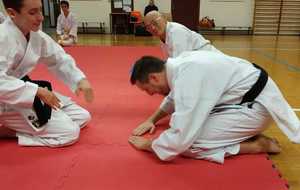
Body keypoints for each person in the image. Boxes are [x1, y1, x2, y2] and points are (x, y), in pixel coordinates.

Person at [128, 51, 300, 164]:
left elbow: (182, 137)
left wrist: (150, 145)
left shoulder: (187, 76)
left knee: (189, 143)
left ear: (153, 78)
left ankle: (256, 146)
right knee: (185, 126)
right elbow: (174, 99)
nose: (150, 94)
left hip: (256, 108)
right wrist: (151, 120)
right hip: (248, 100)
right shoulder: (179, 65)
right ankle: (243, 132)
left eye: (146, 89)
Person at [0, 0, 94, 147]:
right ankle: (9, 132)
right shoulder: (2, 38)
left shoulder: (35, 35)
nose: (41, 17)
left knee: (83, 117)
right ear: (12, 13)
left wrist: (79, 79)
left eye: (40, 10)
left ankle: (33, 125)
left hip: (24, 91)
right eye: (32, 12)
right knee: (70, 133)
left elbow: (58, 58)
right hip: (5, 101)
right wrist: (37, 90)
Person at [144, 10, 222, 59]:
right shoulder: (162, 37)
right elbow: (170, 62)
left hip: (213, 60)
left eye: (154, 22)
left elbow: (180, 64)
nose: (153, 28)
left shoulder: (176, 31)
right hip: (201, 63)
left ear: (164, 19)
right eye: (148, 27)